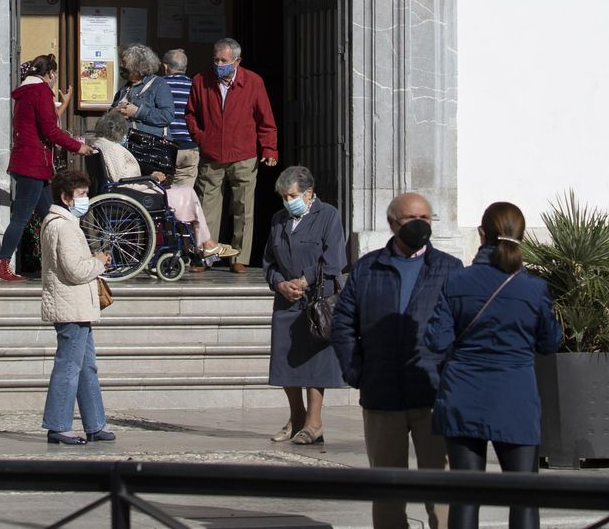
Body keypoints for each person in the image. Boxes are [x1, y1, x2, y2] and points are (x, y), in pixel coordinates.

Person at [332, 192, 462, 529]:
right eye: (411, 220)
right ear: (393, 224)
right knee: (387, 488)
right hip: (382, 394)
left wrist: (449, 378)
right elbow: (343, 322)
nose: (420, 226)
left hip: (433, 395)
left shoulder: (449, 268)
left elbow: (462, 329)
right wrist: (355, 370)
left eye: (426, 219)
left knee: (442, 489)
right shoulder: (367, 267)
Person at [426, 202, 560, 529]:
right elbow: (549, 342)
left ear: (482, 234)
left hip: (462, 394)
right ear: (521, 236)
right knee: (524, 498)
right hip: (515, 396)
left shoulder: (458, 282)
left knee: (465, 499)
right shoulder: (533, 288)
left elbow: (436, 340)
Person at [0, 54, 95, 283]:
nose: (55, 78)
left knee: (52, 215)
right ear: (49, 73)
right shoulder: (40, 92)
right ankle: (2, 263)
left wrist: (65, 104)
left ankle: (63, 260)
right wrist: (78, 147)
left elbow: (43, 123)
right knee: (21, 218)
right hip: (33, 165)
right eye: (55, 73)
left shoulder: (26, 93)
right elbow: (50, 130)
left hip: (29, 163)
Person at [263, 165, 346, 445]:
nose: (288, 202)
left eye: (292, 196)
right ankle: (296, 417)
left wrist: (304, 280)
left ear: (308, 194)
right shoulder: (278, 219)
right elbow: (269, 262)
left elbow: (334, 258)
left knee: (315, 361)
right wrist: (280, 284)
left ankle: (314, 422)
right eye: (284, 197)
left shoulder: (328, 215)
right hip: (287, 300)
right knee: (286, 358)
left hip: (316, 300)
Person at [91, 110, 237, 270]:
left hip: (134, 190)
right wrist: (152, 178)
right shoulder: (113, 149)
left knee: (183, 191)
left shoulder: (100, 144)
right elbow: (122, 179)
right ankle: (205, 243)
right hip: (135, 194)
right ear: (117, 131)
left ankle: (203, 244)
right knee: (187, 192)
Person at [187, 37, 278, 273]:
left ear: (237, 61)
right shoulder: (200, 80)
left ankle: (239, 257)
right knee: (207, 206)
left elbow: (265, 119)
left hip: (244, 154)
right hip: (212, 154)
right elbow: (191, 114)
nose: (219, 64)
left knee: (243, 207)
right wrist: (201, 137)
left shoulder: (253, 82)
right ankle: (205, 255)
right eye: (216, 59)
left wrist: (269, 148)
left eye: (224, 60)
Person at [39, 167, 116, 446]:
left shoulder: (63, 223)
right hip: (71, 305)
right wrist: (99, 261)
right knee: (69, 366)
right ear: (66, 197)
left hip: (78, 306)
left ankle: (95, 424)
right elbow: (74, 270)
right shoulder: (63, 226)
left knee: (86, 366)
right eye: (81, 194)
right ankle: (58, 425)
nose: (85, 199)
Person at [113, 43, 174, 140]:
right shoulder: (125, 88)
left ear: (137, 67)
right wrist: (115, 112)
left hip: (148, 147)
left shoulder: (158, 84)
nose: (121, 65)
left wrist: (137, 112)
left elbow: (167, 116)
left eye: (124, 63)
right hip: (125, 146)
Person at [162, 49, 200, 188]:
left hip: (164, 148)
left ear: (165, 67)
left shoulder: (158, 85)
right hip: (189, 147)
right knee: (184, 195)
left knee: (164, 196)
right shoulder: (195, 87)